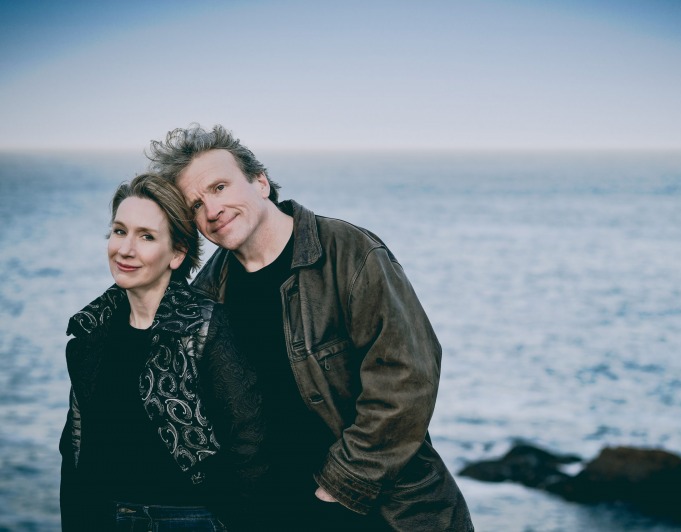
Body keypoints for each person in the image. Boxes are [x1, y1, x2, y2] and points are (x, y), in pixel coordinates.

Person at [145, 124, 475, 530]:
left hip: (384, 510)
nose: (211, 210)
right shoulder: (208, 293)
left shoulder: (349, 252)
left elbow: (407, 377)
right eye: (195, 204)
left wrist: (339, 486)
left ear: (260, 183)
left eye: (219, 188)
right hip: (272, 513)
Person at [59, 173, 265, 531]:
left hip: (188, 519)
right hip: (99, 516)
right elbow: (74, 447)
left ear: (177, 253)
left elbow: (249, 443)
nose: (125, 249)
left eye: (147, 237)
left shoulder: (204, 327)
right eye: (120, 231)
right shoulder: (91, 329)